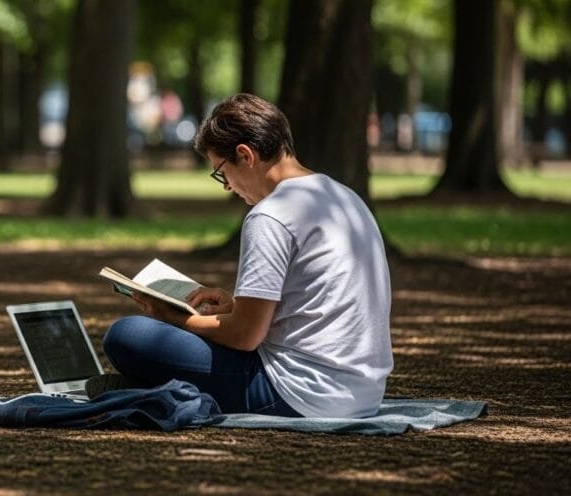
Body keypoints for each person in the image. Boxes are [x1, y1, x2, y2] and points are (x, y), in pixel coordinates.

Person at [91, 93, 393, 418]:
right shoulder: (343, 198)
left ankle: (145, 389)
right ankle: (147, 387)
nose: (228, 187)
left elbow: (245, 336)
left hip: (298, 392)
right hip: (365, 393)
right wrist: (237, 307)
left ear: (245, 155)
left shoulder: (271, 214)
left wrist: (172, 317)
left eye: (222, 173)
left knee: (127, 336)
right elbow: (318, 303)